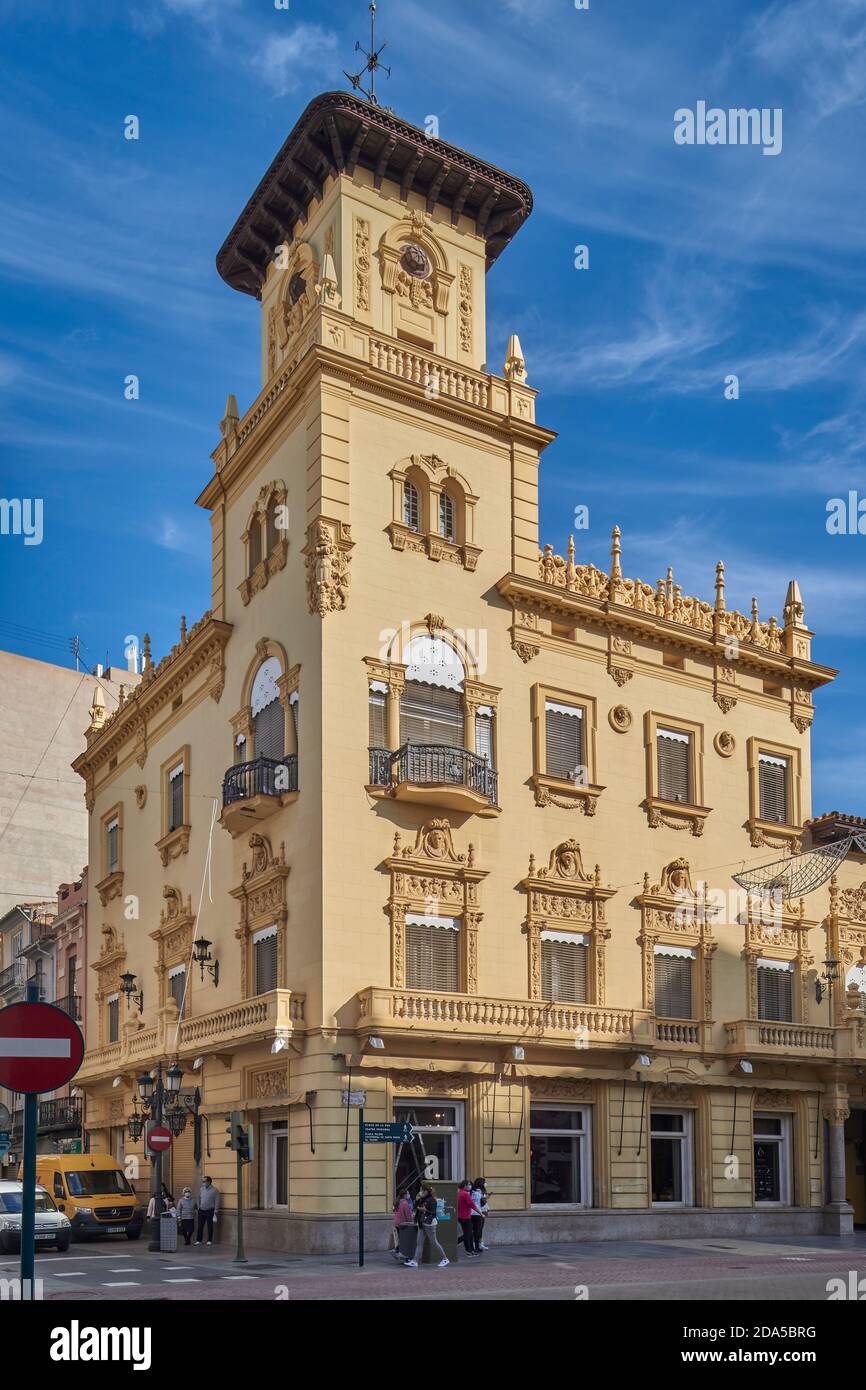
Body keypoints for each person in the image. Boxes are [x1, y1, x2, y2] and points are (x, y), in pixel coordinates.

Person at [404, 1184, 449, 1268]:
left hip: (429, 1224)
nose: (420, 1192)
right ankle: (415, 1261)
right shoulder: (422, 1199)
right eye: (420, 1190)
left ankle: (444, 1258)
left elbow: (433, 1213)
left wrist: (425, 1210)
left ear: (426, 1191)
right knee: (419, 1242)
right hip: (422, 1222)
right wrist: (417, 1200)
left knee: (433, 1242)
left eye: (422, 1190)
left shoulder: (432, 1200)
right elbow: (415, 1208)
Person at [390, 1188, 414, 1262]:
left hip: (397, 1223)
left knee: (401, 1239)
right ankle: (402, 1254)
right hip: (403, 1224)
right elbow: (408, 1216)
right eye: (408, 1193)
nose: (409, 1195)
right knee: (405, 1241)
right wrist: (412, 1222)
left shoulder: (398, 1202)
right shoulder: (405, 1203)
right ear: (404, 1195)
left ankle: (397, 1250)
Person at [195, 1176, 220, 1245]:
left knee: (210, 1226)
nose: (203, 1183)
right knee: (200, 1226)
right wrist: (198, 1207)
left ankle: (209, 1240)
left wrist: (216, 1210)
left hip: (210, 1211)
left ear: (208, 1182)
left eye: (204, 1181)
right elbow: (198, 1198)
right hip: (201, 1210)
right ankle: (199, 1240)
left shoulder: (215, 1190)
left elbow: (217, 1201)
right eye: (202, 1181)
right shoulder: (201, 1189)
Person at [457, 1179, 478, 1256]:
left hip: (460, 1216)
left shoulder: (459, 1193)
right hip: (465, 1217)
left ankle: (469, 1250)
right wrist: (481, 1213)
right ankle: (456, 1242)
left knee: (468, 1234)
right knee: (468, 1234)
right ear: (464, 1185)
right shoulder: (465, 1194)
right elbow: (472, 1205)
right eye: (468, 1184)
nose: (470, 1186)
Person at [471, 1177, 489, 1252]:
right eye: (484, 1182)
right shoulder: (477, 1192)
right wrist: (485, 1199)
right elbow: (479, 1202)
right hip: (479, 1211)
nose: (485, 1184)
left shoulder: (481, 1191)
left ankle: (480, 1243)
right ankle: (477, 1243)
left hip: (483, 1210)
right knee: (477, 1229)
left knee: (480, 1228)